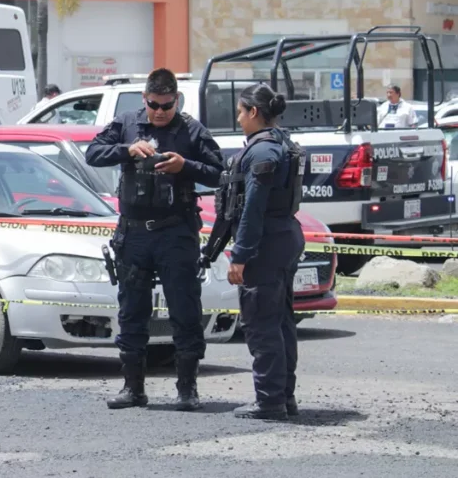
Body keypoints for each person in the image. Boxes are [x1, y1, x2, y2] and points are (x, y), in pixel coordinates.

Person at [85, 68, 224, 412]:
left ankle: (187, 390)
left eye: (166, 105)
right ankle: (133, 388)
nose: (160, 111)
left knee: (184, 309)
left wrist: (185, 166)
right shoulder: (127, 123)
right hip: (133, 233)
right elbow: (93, 153)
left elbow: (220, 172)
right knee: (132, 310)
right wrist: (128, 150)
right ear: (144, 99)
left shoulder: (191, 129)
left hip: (175, 232)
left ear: (176, 100)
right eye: (153, 104)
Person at [222, 83, 306, 421]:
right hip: (283, 236)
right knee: (281, 321)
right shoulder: (280, 142)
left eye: (241, 112)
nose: (239, 118)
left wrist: (239, 255)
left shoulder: (263, 152)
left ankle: (270, 400)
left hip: (267, 243)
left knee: (262, 323)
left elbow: (253, 208)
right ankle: (283, 396)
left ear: (254, 112)